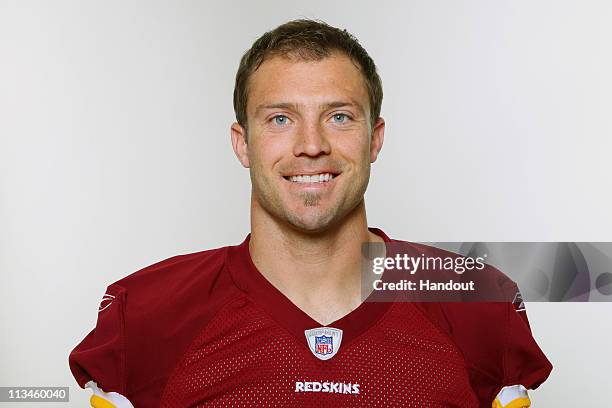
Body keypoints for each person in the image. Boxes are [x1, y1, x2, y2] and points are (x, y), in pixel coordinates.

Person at [69, 19, 552, 407]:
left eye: (339, 116)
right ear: (243, 143)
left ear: (374, 139)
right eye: (280, 118)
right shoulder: (146, 315)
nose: (312, 146)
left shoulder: (478, 303)